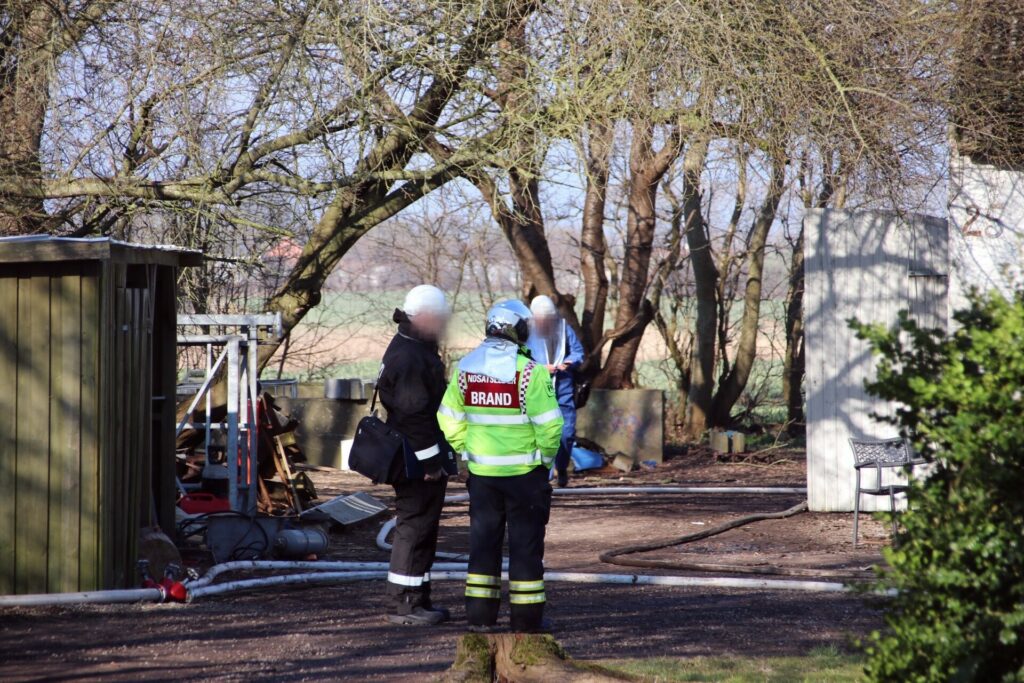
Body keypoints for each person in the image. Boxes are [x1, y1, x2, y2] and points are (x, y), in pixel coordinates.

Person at [437, 300, 563, 633]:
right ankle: (526, 621)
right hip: (525, 477)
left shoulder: (466, 369)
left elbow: (447, 418)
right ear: (520, 330)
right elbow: (551, 427)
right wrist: (544, 462)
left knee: (483, 547)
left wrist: (467, 451)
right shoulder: (530, 372)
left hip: (482, 477)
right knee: (525, 549)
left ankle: (480, 618)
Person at [377, 284, 452, 626]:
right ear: (423, 316)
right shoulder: (411, 356)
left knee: (423, 528)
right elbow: (414, 416)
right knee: (414, 527)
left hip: (414, 455)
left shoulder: (412, 347)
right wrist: (431, 462)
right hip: (415, 460)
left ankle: (417, 599)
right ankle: (403, 605)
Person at [525, 295, 584, 487]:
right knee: (542, 432)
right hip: (537, 390)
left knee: (566, 433)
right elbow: (520, 359)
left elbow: (578, 352)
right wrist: (541, 369)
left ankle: (562, 467)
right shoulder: (526, 331)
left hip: (563, 387)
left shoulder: (564, 328)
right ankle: (546, 474)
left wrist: (569, 362)